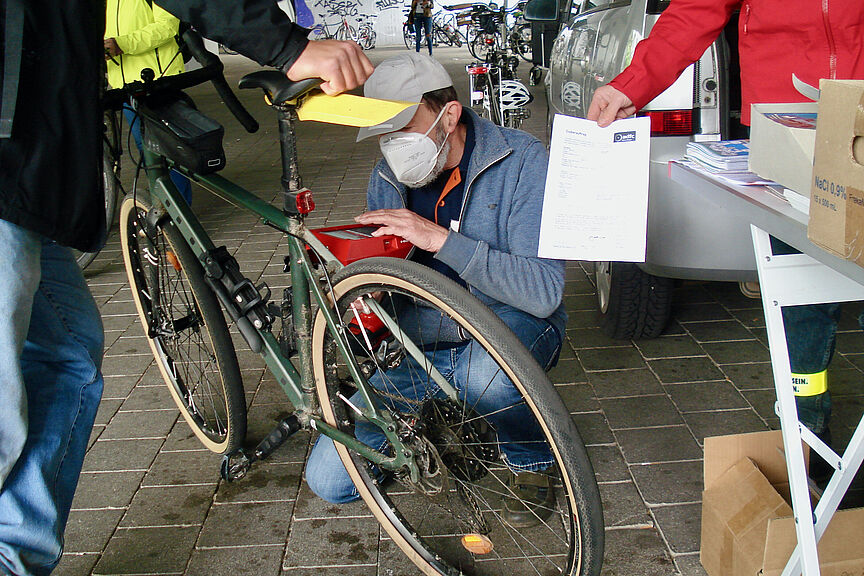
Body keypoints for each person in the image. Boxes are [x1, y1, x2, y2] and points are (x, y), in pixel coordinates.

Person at [0, 1, 372, 573]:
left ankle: (16, 559)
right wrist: (288, 46)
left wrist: (286, 47)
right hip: (17, 155)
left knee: (67, 359)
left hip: (27, 166)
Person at [305, 53, 567, 527]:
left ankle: (530, 454)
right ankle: (436, 415)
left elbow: (545, 291)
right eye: (384, 134)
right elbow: (385, 269)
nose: (393, 146)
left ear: (449, 115)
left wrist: (439, 240)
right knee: (330, 480)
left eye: (405, 127)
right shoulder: (387, 176)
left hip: (505, 328)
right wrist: (368, 292)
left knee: (487, 374)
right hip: (419, 344)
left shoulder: (522, 160)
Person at [587, 0, 864, 444]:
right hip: (790, 126)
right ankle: (806, 438)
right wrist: (631, 86)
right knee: (800, 297)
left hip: (859, 113)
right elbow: (694, 10)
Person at [104, 0, 193, 204]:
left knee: (170, 150)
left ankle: (180, 212)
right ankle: (164, 205)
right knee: (146, 150)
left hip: (158, 81)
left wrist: (122, 44)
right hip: (125, 87)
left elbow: (167, 26)